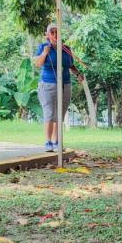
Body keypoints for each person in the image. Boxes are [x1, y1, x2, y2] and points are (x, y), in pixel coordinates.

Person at [33, 24, 84, 152]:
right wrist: (45, 53)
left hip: (65, 84)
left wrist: (78, 74)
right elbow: (38, 64)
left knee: (59, 115)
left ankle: (57, 142)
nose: (55, 35)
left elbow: (70, 65)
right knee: (49, 113)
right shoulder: (43, 47)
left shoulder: (66, 49)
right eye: (52, 32)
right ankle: (48, 142)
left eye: (57, 32)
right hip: (48, 84)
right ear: (47, 34)